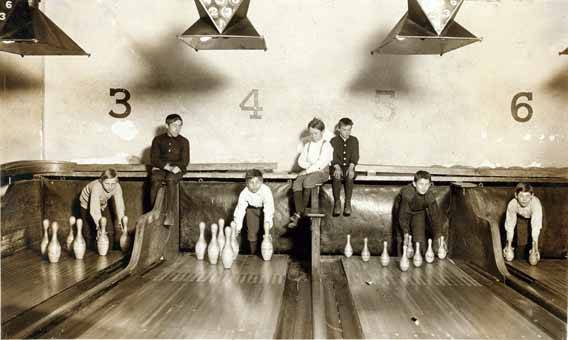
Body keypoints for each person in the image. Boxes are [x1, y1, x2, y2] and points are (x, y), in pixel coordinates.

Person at [289, 117, 333, 228]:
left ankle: (299, 214)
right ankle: (298, 212)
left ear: (322, 132)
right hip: (310, 170)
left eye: (316, 133)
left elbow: (321, 163)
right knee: (297, 182)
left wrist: (309, 169)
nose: (313, 136)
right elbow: (301, 161)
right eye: (311, 133)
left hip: (322, 171)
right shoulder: (308, 145)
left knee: (308, 182)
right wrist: (309, 168)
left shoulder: (326, 145)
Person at [150, 114, 190, 225]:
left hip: (177, 169)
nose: (177, 129)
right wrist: (167, 167)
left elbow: (185, 161)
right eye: (174, 126)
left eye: (180, 126)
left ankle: (170, 213)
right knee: (155, 178)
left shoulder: (184, 141)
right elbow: (154, 159)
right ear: (167, 125)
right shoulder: (158, 140)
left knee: (171, 179)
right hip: (162, 168)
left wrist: (177, 168)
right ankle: (153, 211)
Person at [79, 168, 125, 250]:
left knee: (109, 229)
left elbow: (120, 205)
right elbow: (94, 210)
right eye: (107, 183)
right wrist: (99, 226)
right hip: (86, 204)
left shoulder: (117, 187)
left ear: (116, 182)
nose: (110, 187)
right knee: (88, 232)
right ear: (101, 181)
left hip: (102, 204)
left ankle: (108, 250)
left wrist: (122, 223)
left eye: (113, 184)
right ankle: (89, 253)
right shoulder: (96, 187)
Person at [398, 170, 442, 254]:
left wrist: (439, 237)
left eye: (426, 184)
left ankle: (420, 258)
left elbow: (435, 217)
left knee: (420, 241)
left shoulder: (429, 196)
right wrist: (405, 233)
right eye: (421, 184)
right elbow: (403, 216)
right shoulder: (407, 195)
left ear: (430, 185)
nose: (424, 187)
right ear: (414, 184)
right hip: (402, 211)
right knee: (403, 241)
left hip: (418, 212)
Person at [233, 169, 275, 255]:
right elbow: (240, 211)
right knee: (252, 234)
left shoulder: (266, 190)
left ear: (262, 182)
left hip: (264, 211)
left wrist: (267, 227)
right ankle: (253, 254)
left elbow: (269, 209)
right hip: (251, 210)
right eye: (251, 182)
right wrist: (237, 228)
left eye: (257, 182)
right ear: (246, 183)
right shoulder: (244, 193)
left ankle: (268, 253)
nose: (254, 185)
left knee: (267, 232)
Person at [503, 183, 543, 261]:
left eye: (527, 196)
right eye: (521, 196)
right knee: (518, 251)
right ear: (516, 195)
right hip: (521, 218)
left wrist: (535, 248)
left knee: (535, 249)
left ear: (532, 196)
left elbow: (536, 227)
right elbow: (510, 225)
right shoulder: (512, 204)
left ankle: (537, 249)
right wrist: (508, 246)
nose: (524, 199)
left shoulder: (536, 205)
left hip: (536, 219)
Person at [330, 117, 359, 216]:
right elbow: (332, 156)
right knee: (336, 177)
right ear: (338, 129)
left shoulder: (354, 140)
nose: (347, 132)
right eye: (344, 130)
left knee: (350, 177)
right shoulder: (333, 141)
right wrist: (337, 167)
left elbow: (355, 156)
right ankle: (337, 203)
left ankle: (347, 203)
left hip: (349, 166)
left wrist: (351, 168)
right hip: (336, 166)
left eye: (349, 130)